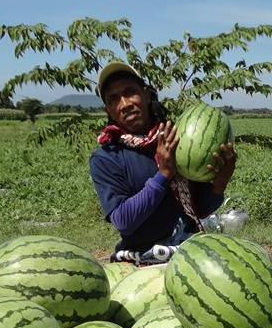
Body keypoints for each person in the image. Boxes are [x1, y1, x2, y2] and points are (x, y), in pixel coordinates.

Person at [90, 61, 237, 264]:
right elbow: (123, 221)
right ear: (108, 109)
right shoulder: (107, 157)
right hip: (141, 259)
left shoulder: (176, 139)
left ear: (146, 94)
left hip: (188, 250)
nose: (124, 104)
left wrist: (220, 182)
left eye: (129, 92)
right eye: (113, 99)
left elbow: (198, 210)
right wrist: (164, 174)